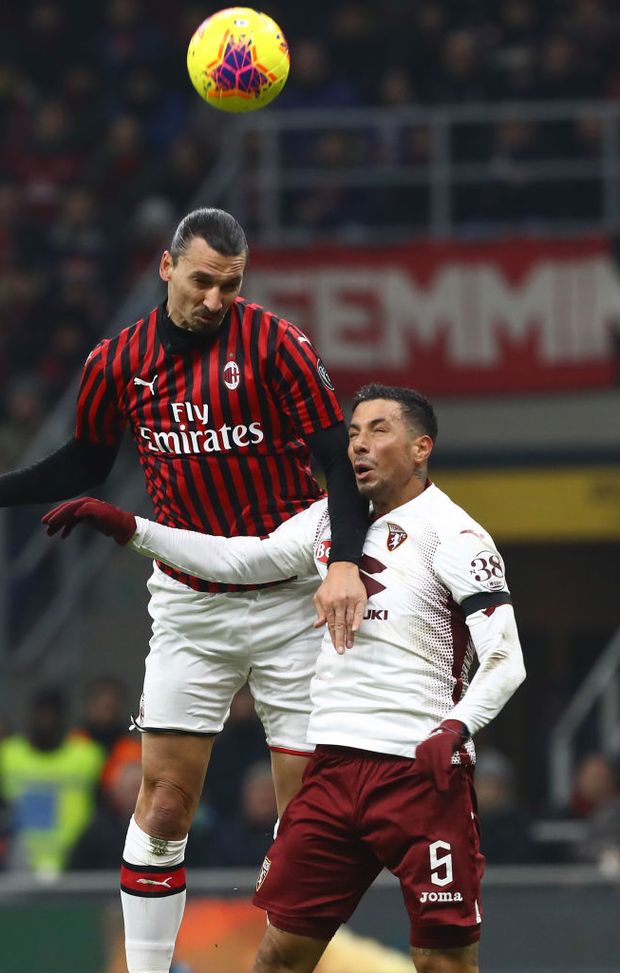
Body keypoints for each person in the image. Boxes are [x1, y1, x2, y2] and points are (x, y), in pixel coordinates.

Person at [44, 383, 526, 973]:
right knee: (277, 956)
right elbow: (239, 560)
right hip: (332, 774)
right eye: (352, 433)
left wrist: (455, 728)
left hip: (419, 771)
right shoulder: (329, 521)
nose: (359, 446)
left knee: (442, 963)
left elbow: (507, 659)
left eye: (379, 431)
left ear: (422, 447)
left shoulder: (458, 536)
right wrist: (131, 528)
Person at [2, 206, 368, 973]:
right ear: (166, 268)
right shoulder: (117, 361)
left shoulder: (276, 343)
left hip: (288, 598)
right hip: (190, 605)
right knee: (164, 802)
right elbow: (82, 465)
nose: (215, 299)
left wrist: (343, 563)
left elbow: (340, 461)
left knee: (305, 817)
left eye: (230, 285)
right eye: (202, 280)